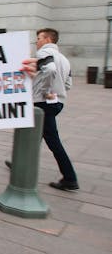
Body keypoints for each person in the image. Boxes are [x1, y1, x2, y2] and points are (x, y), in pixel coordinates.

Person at [31, 28, 78, 191]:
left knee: (53, 140)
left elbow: (49, 70)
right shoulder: (64, 59)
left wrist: (45, 92)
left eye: (38, 38)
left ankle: (70, 178)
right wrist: (56, 94)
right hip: (57, 103)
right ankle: (19, 162)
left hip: (42, 102)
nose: (36, 41)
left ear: (48, 39)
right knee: (35, 134)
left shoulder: (43, 54)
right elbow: (68, 84)